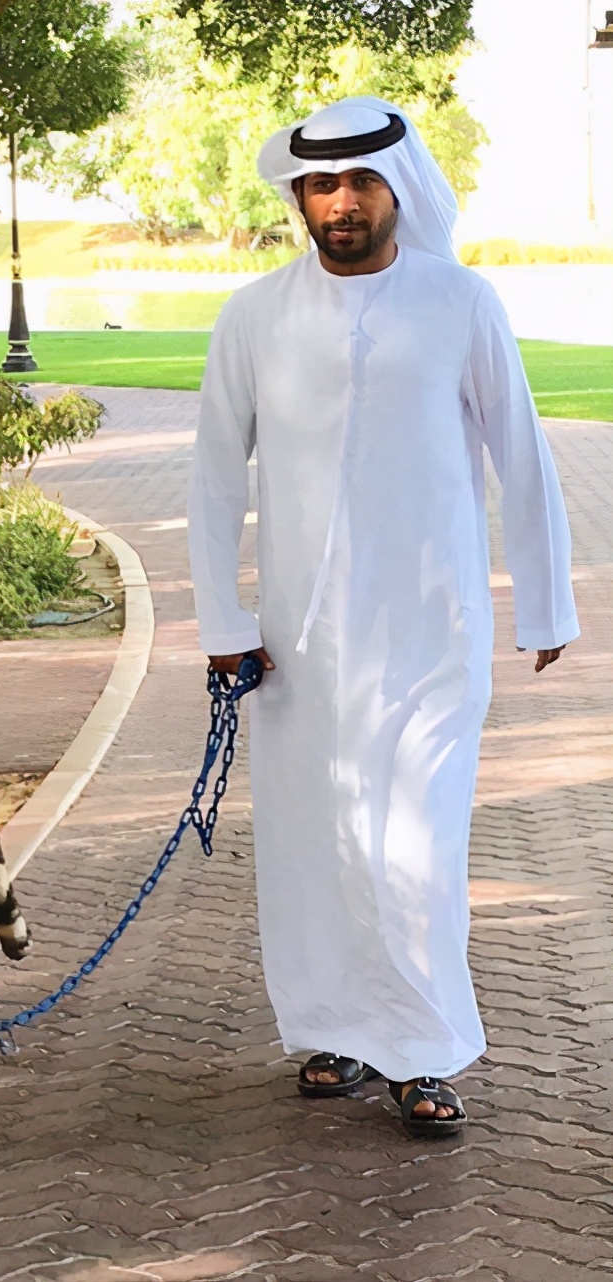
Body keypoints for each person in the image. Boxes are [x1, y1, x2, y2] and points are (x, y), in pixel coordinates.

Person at [186, 97, 579, 1138]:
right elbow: (215, 476)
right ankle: (334, 1030)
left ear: (397, 186)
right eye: (323, 184)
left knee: (414, 842)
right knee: (314, 844)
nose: (343, 201)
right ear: (298, 196)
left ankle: (422, 1049)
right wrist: (220, 618)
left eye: (362, 181)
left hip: (430, 633)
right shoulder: (252, 316)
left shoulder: (460, 301)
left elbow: (522, 453)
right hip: (296, 646)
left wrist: (543, 600)